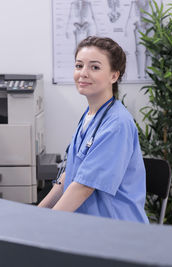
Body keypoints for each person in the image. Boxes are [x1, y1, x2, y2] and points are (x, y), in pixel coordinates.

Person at [38, 36, 148, 224]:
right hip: (86, 225)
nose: (83, 73)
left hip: (115, 230)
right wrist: (36, 214)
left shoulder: (117, 124)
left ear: (114, 76)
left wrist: (46, 225)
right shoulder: (91, 117)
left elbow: (83, 187)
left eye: (94, 67)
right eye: (79, 66)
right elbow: (70, 176)